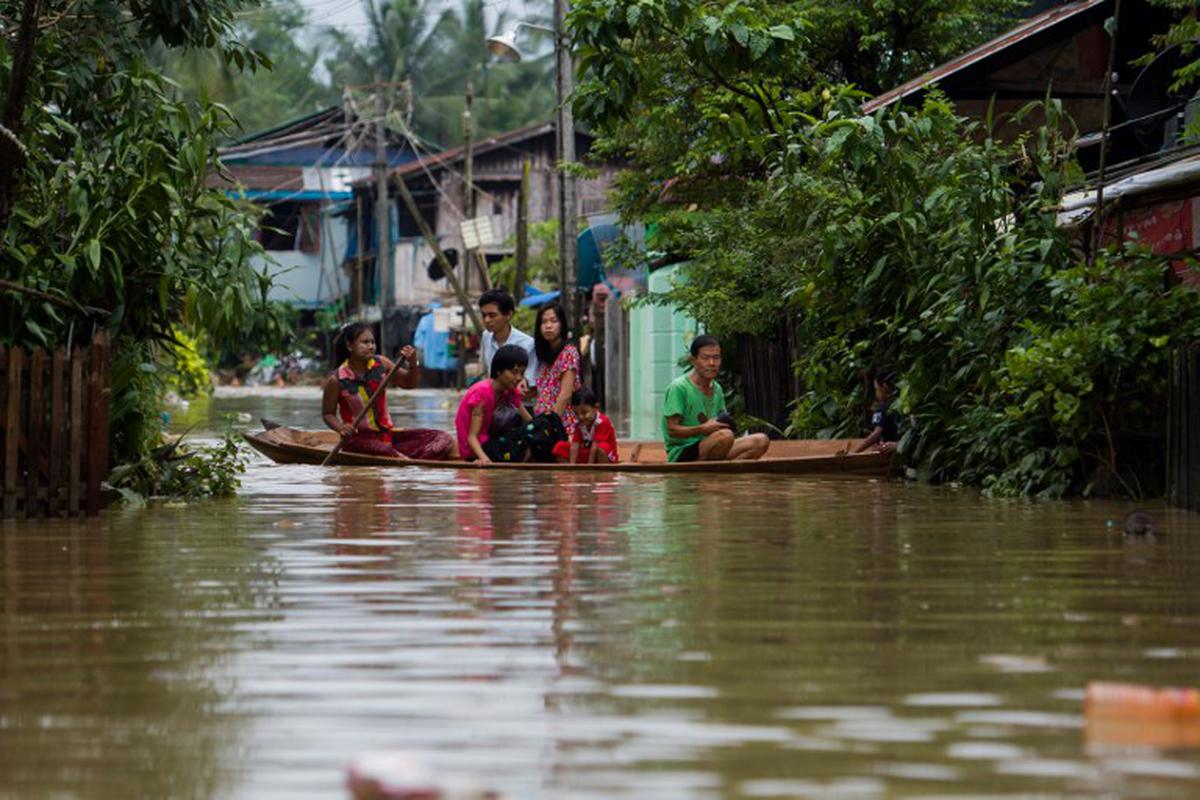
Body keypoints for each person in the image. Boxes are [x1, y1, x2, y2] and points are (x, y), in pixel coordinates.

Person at [321, 322, 454, 459]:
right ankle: (405, 460)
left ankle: (413, 460)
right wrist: (341, 428)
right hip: (357, 440)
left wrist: (413, 362)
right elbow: (328, 413)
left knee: (442, 438)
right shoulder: (336, 379)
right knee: (388, 453)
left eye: (372, 342)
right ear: (350, 346)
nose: (371, 346)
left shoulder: (381, 364)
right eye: (365, 342)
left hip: (387, 437)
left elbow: (409, 383)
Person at [662, 335, 770, 462]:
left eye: (716, 358)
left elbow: (721, 425)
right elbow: (672, 430)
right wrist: (702, 429)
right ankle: (718, 471)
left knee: (761, 441)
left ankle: (725, 472)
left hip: (714, 445)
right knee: (725, 437)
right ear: (693, 360)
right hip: (683, 452)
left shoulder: (717, 388)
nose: (712, 363)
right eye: (705, 358)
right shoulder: (679, 388)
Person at [455, 344, 533, 463]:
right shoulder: (482, 393)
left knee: (546, 421)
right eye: (514, 372)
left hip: (494, 441)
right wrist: (485, 460)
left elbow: (529, 421)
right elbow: (472, 437)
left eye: (521, 373)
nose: (518, 378)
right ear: (498, 371)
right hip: (476, 449)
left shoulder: (510, 392)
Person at [533, 302, 580, 440]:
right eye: (544, 322)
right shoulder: (543, 356)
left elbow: (565, 394)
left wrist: (550, 425)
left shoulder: (568, 352)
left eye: (553, 321)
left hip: (562, 424)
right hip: (542, 422)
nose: (548, 326)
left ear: (562, 324)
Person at [478, 288, 537, 394]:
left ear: (508, 314)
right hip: (492, 405)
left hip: (518, 407)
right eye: (484, 315)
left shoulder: (527, 344)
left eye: (492, 315)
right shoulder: (486, 337)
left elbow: (532, 387)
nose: (486, 320)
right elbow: (485, 373)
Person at [553, 386, 619, 464]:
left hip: (604, 454)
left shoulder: (602, 422)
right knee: (560, 447)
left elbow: (595, 446)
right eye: (576, 414)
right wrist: (572, 465)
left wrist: (589, 466)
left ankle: (602, 472)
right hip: (588, 452)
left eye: (584, 412)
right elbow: (575, 445)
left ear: (596, 408)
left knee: (601, 448)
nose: (581, 417)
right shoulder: (579, 423)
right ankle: (568, 471)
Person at [850, 369, 900, 453]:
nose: (876, 394)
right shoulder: (902, 404)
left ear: (884, 387)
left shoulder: (882, 408)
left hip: (889, 450)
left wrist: (855, 452)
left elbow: (876, 433)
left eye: (876, 389)